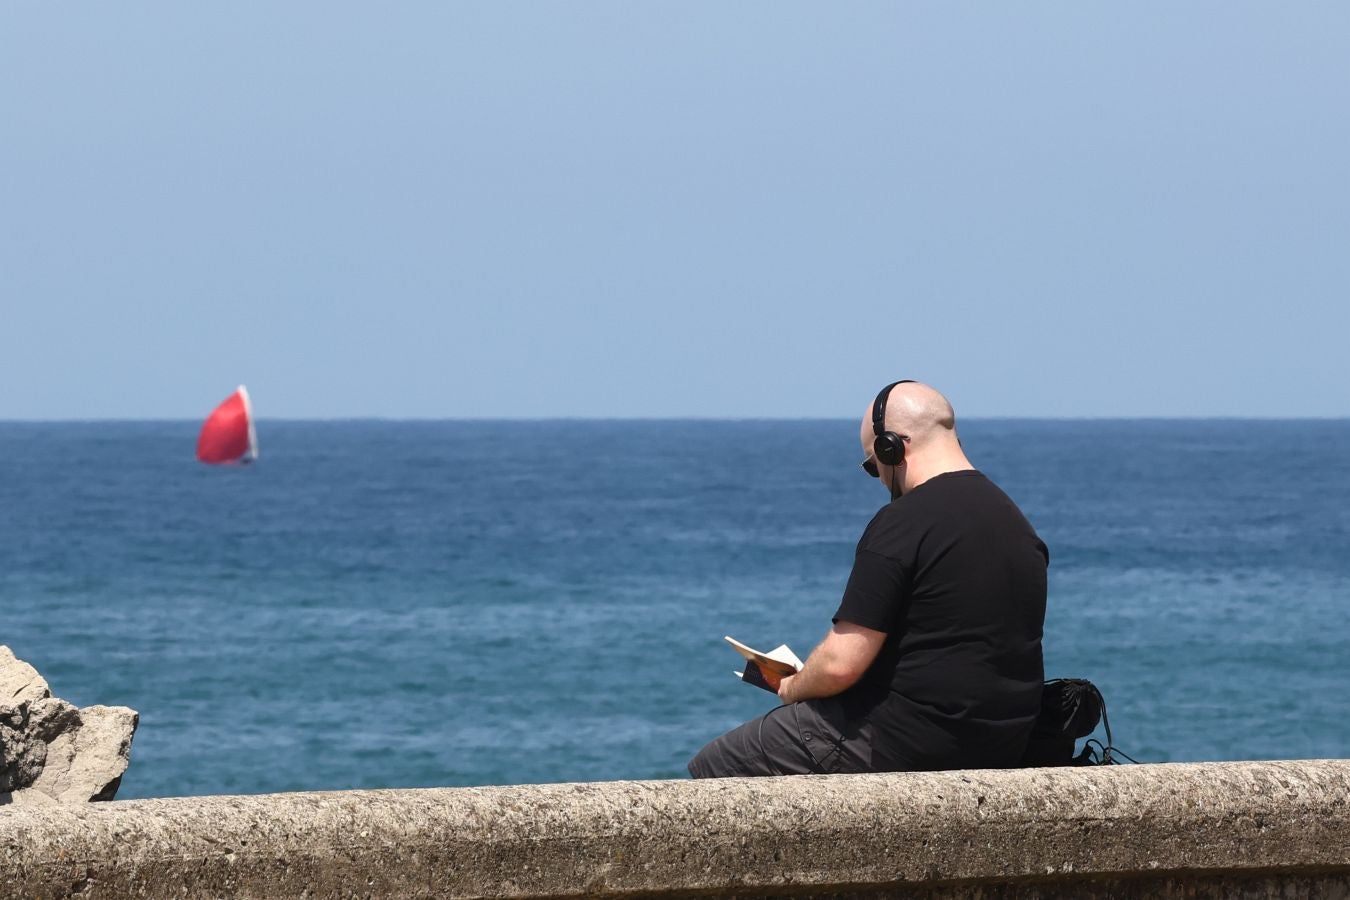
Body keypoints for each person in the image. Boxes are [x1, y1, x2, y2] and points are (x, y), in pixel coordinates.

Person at [688, 380, 1048, 777]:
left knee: (715, 765)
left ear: (891, 447)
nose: (877, 477)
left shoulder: (904, 522)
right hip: (1001, 742)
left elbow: (840, 665)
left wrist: (792, 686)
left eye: (872, 464)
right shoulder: (1017, 524)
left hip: (904, 741)